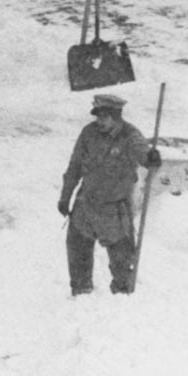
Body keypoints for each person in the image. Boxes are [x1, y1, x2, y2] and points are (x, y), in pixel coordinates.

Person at [57, 93, 161, 295]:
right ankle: (80, 292)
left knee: (122, 260)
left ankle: (122, 297)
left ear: (116, 117)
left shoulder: (130, 136)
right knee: (77, 249)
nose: (99, 121)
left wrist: (151, 159)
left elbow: (144, 156)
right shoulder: (88, 133)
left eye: (104, 117)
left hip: (113, 209)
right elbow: (75, 166)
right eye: (97, 116)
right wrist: (65, 196)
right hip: (85, 203)